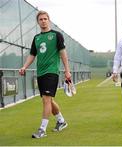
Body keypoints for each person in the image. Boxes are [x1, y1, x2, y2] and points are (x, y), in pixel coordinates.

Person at [19, 10, 71, 138]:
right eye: (41, 19)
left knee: (46, 99)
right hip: (40, 72)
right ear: (38, 22)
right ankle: (61, 121)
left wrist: (67, 70)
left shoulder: (56, 35)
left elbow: (63, 53)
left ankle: (42, 130)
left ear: (49, 20)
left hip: (52, 71)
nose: (43, 21)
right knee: (48, 99)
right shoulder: (36, 38)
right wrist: (24, 66)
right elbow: (32, 54)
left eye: (45, 19)